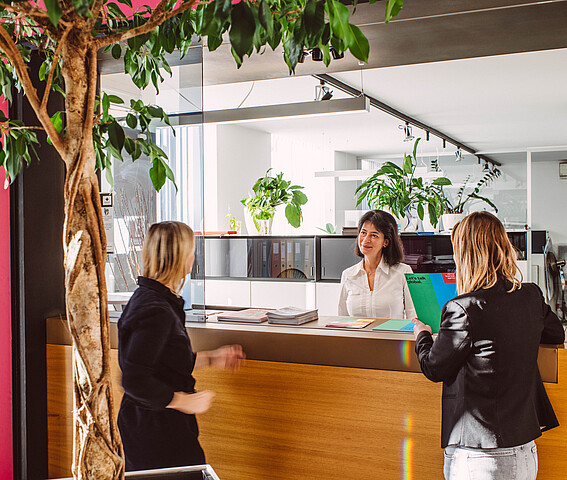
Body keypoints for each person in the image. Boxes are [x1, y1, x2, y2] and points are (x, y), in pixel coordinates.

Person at [412, 212, 565, 480]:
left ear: (465, 255)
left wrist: (422, 334)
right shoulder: (530, 295)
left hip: (481, 458)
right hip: (525, 452)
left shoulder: (463, 308)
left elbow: (434, 368)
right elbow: (555, 334)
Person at [117, 221, 246, 472]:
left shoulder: (152, 299)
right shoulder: (156, 310)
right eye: (191, 249)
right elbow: (134, 380)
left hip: (156, 427)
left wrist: (211, 358)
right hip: (155, 432)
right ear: (178, 257)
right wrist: (185, 401)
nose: (193, 256)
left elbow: (162, 363)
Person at [338, 209, 416, 319]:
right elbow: (342, 319)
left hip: (392, 336)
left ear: (386, 242)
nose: (366, 240)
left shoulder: (404, 272)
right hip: (357, 336)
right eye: (363, 233)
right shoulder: (348, 275)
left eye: (374, 235)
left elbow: (413, 317)